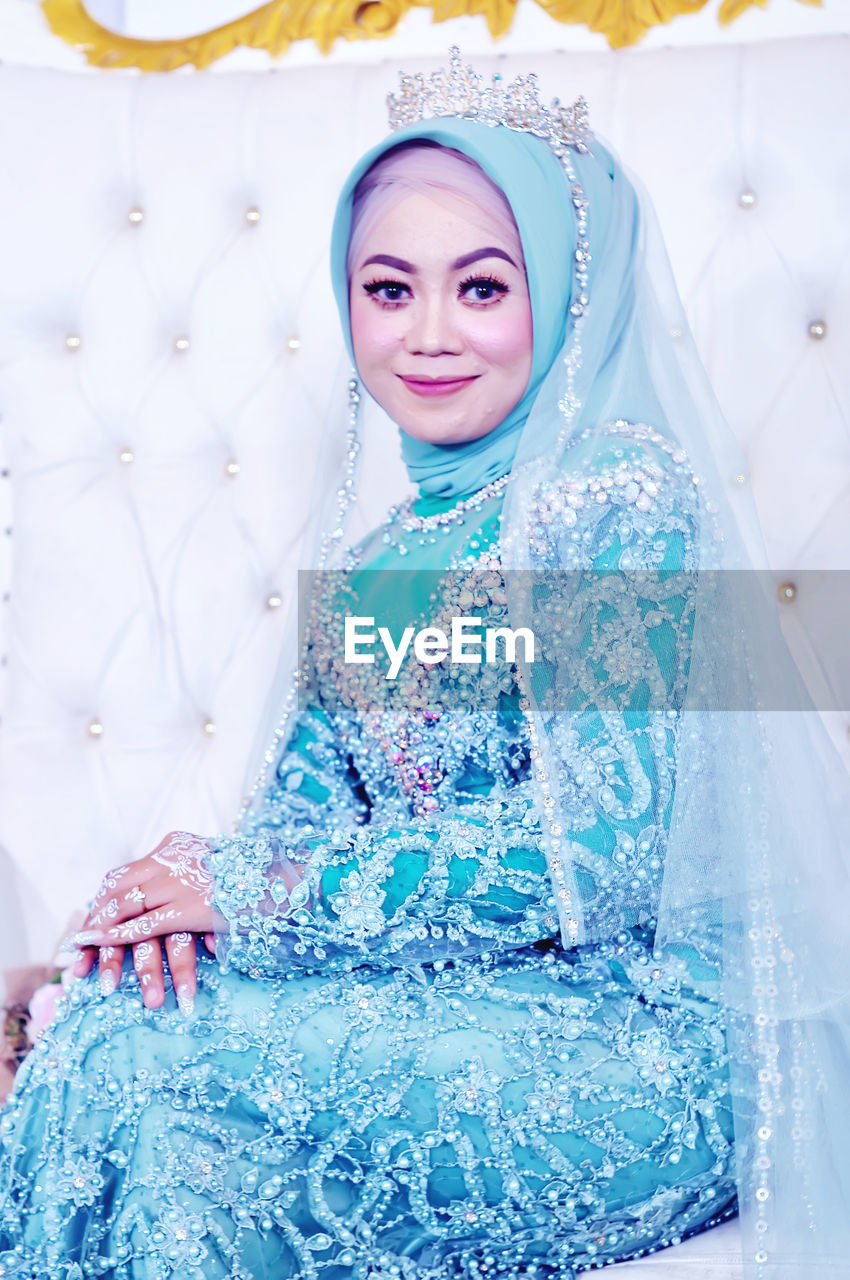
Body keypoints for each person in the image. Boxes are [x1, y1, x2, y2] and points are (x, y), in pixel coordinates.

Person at [0, 49, 848, 1280]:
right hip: (445, 1009)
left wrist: (257, 888)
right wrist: (175, 893)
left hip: (634, 1043)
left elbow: (594, 855)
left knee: (135, 1056)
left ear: (564, 293)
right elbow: (300, 815)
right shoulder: (378, 562)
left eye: (482, 287)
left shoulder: (615, 497)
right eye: (388, 290)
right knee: (114, 1023)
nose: (430, 334)